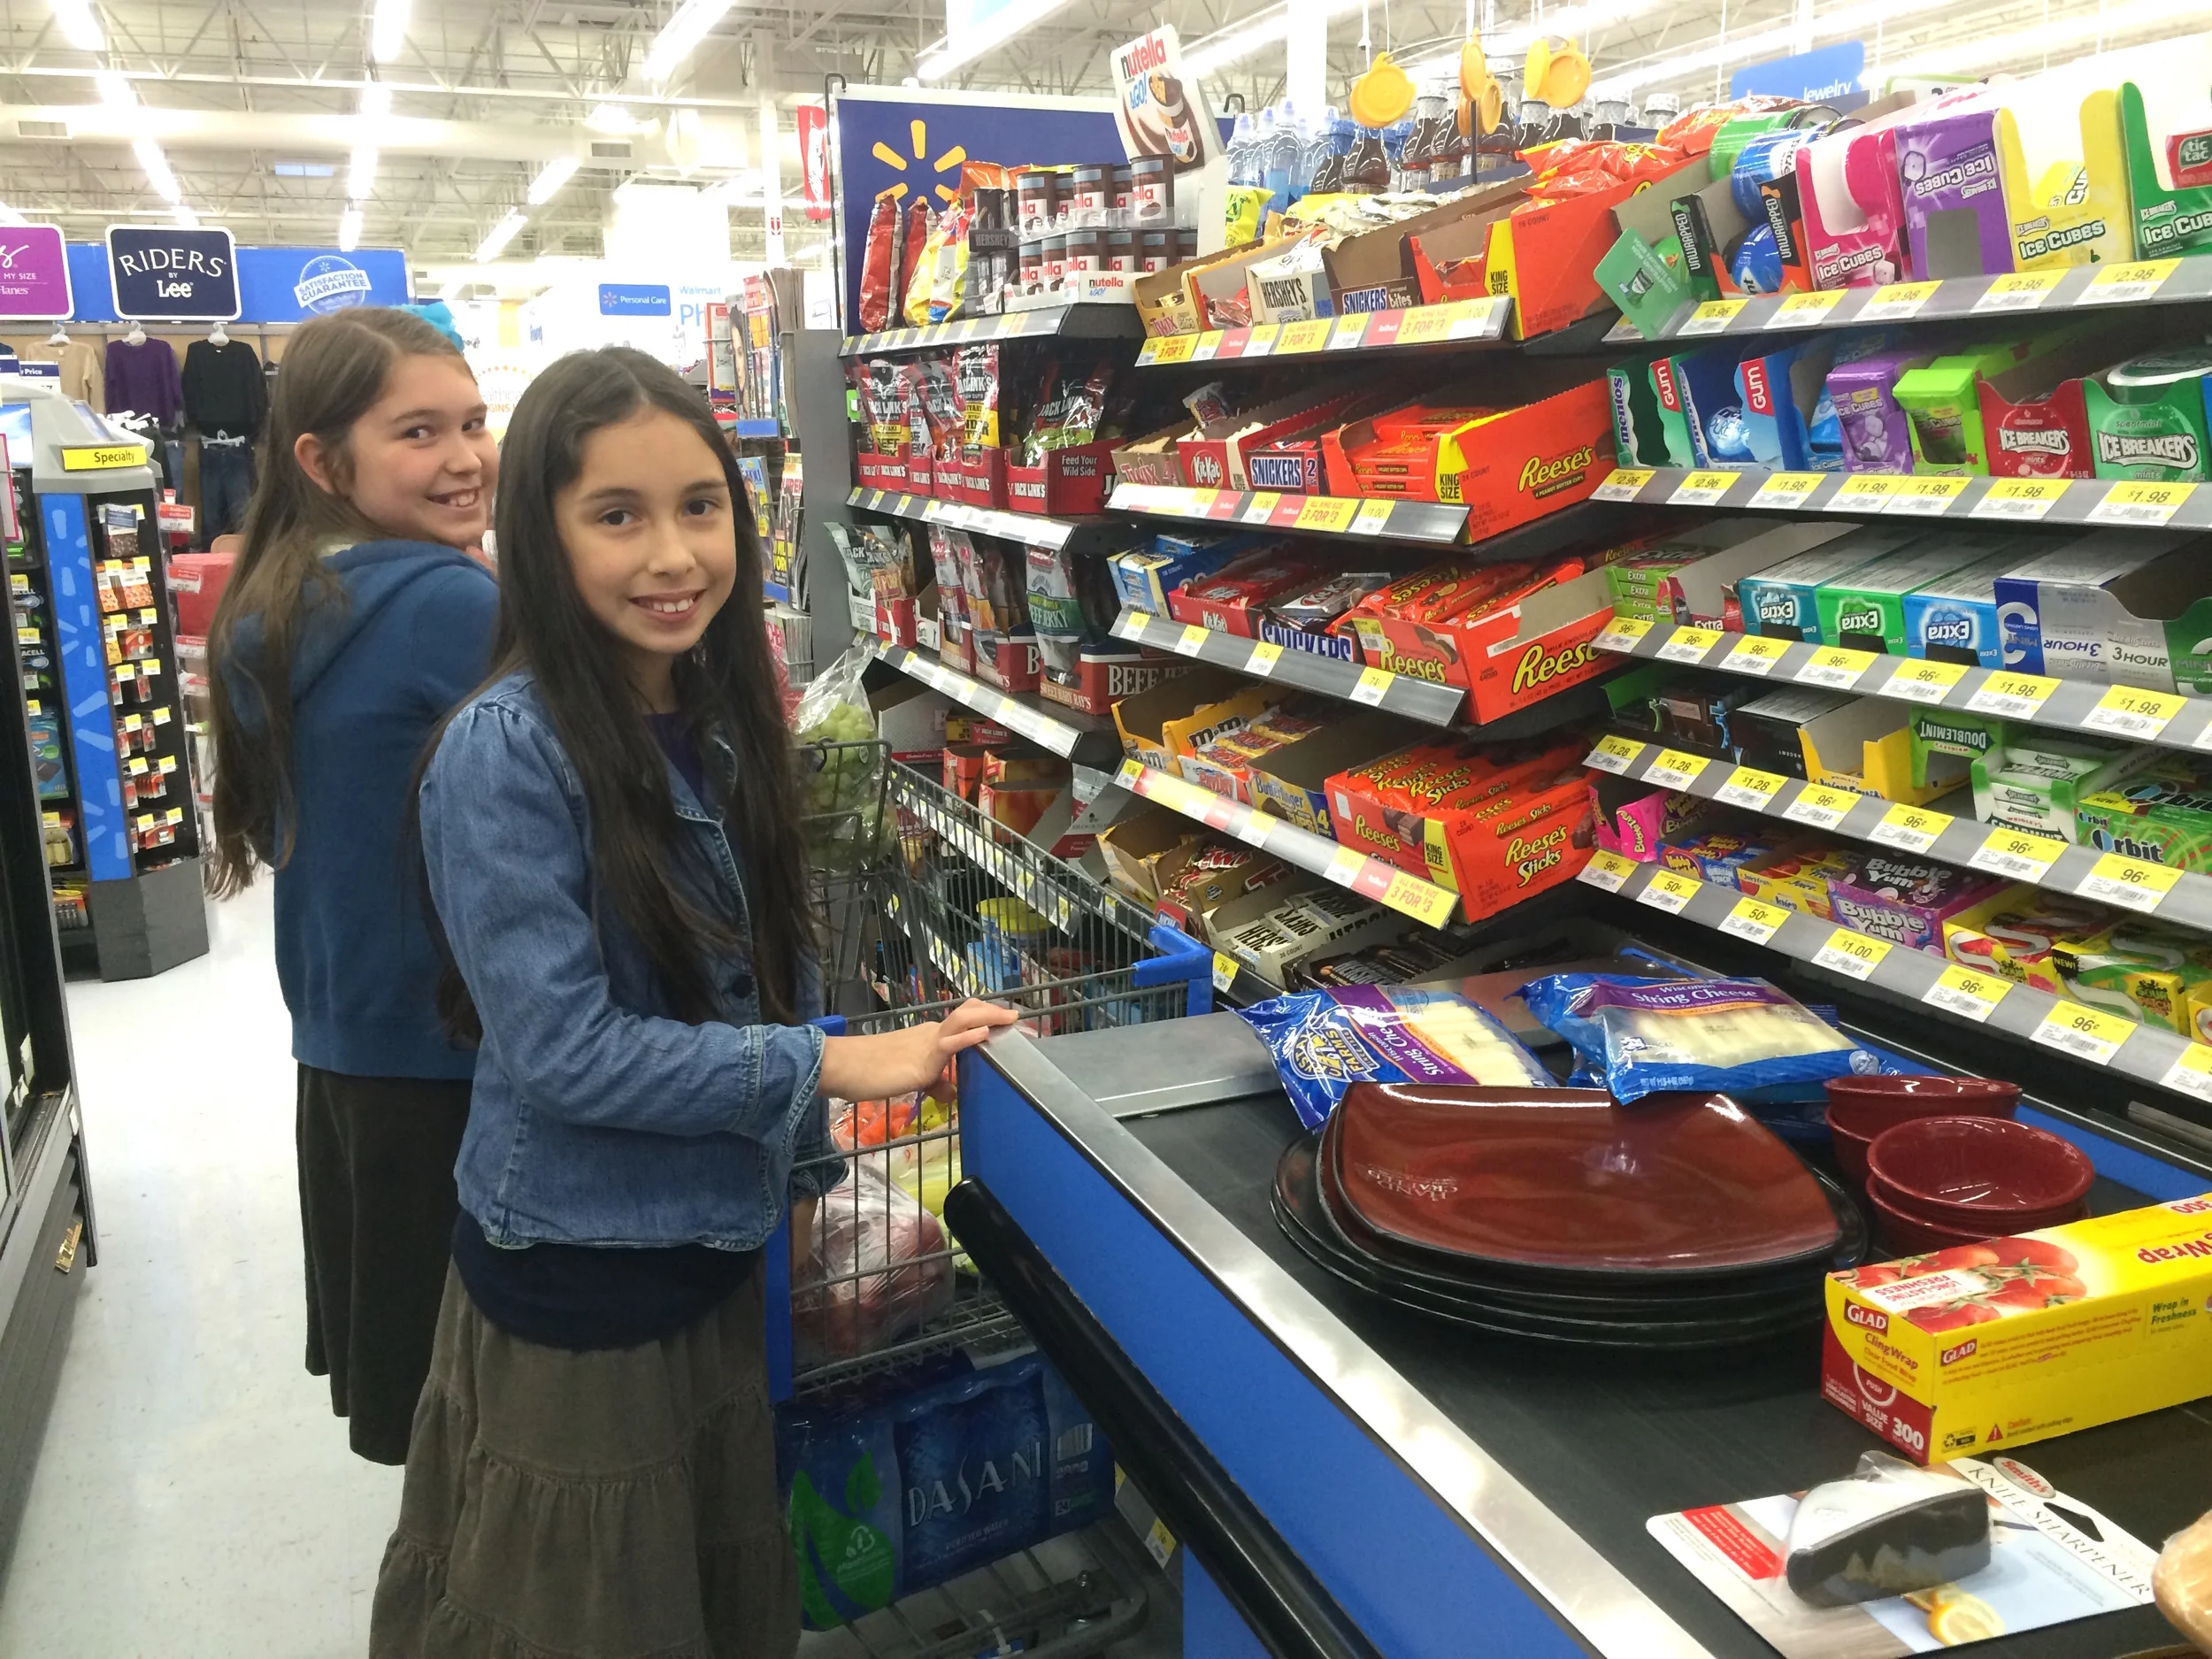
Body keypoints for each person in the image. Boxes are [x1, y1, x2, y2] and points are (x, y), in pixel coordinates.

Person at [371, 347, 1016, 1658]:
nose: (673, 554)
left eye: (700, 506)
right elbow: (564, 1053)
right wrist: (833, 1068)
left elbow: (728, 984)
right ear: (540, 538)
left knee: (705, 1589)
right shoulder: (508, 751)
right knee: (587, 1609)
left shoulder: (714, 720)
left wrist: (888, 1067)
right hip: (579, 1283)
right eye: (618, 515)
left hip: (710, 1254)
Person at [204, 307, 500, 1465]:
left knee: (423, 1403)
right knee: (496, 1409)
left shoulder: (275, 595)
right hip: (452, 1049)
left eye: (473, 422)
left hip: (344, 1045)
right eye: (418, 432)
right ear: (325, 461)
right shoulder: (449, 602)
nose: (465, 455)